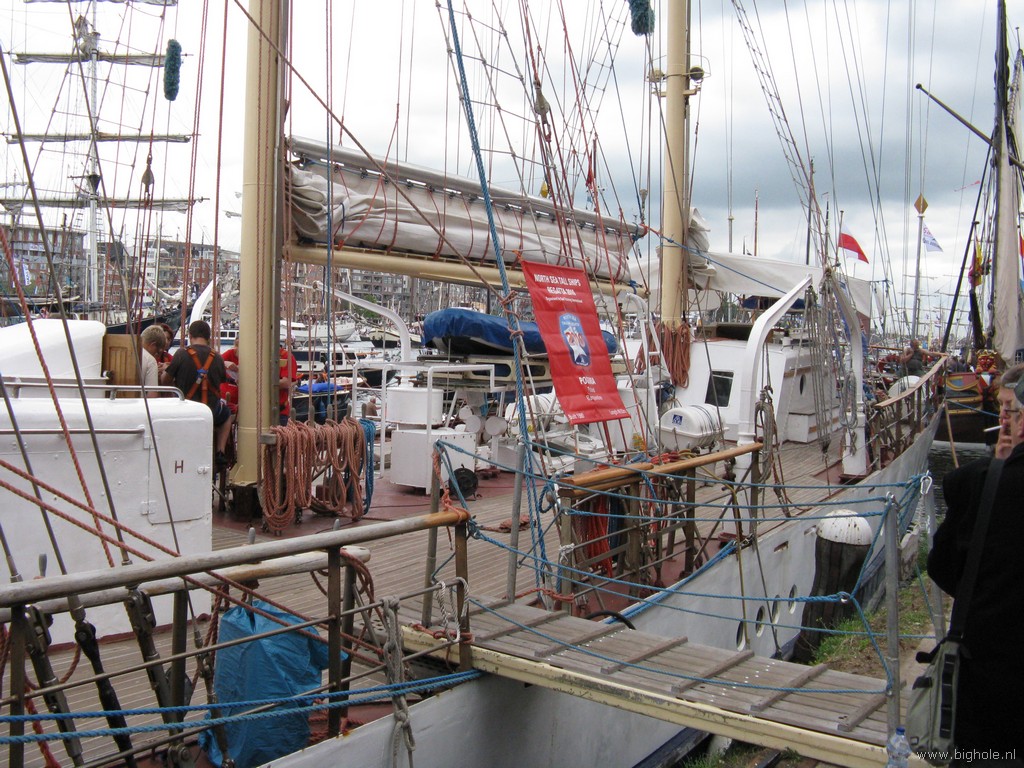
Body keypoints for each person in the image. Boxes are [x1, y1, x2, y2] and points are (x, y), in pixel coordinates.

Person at [928, 363, 1024, 763]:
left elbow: (943, 565)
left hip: (991, 669)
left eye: (1010, 411)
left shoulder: (981, 484)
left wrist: (995, 468)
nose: (1003, 418)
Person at [161, 320, 235, 465]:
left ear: (190, 335)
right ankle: (220, 451)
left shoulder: (181, 354)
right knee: (226, 414)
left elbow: (165, 381)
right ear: (208, 337)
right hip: (211, 411)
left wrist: (165, 370)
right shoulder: (217, 357)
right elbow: (221, 380)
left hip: (185, 411)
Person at [139, 325, 166, 396]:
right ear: (153, 345)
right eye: (158, 353)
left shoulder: (124, 352)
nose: (157, 357)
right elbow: (152, 395)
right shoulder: (150, 360)